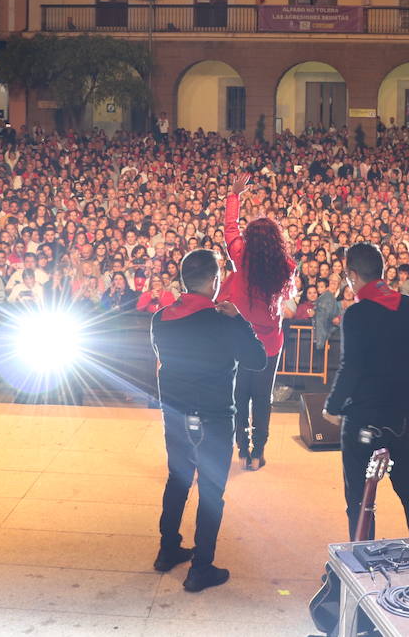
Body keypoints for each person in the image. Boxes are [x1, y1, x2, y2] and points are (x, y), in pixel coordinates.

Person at [151, 249, 266, 593]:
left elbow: (161, 357)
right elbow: (257, 360)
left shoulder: (160, 318)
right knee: (212, 493)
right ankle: (201, 568)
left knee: (177, 481)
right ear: (215, 282)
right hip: (213, 418)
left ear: (184, 280)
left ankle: (167, 549)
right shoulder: (221, 321)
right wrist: (240, 321)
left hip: (175, 413)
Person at [323, 242, 409, 538]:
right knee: (408, 486)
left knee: (359, 498)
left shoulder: (356, 314)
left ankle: (363, 562)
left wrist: (333, 407)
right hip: (403, 414)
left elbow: (350, 368)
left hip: (363, 417)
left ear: (352, 274)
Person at [220, 172, 295, 471]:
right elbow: (279, 306)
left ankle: (242, 449)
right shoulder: (286, 266)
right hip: (269, 343)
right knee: (262, 398)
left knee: (239, 396)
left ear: (251, 239)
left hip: (238, 339)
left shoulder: (241, 256)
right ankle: (258, 452)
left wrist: (234, 195)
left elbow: (229, 229)